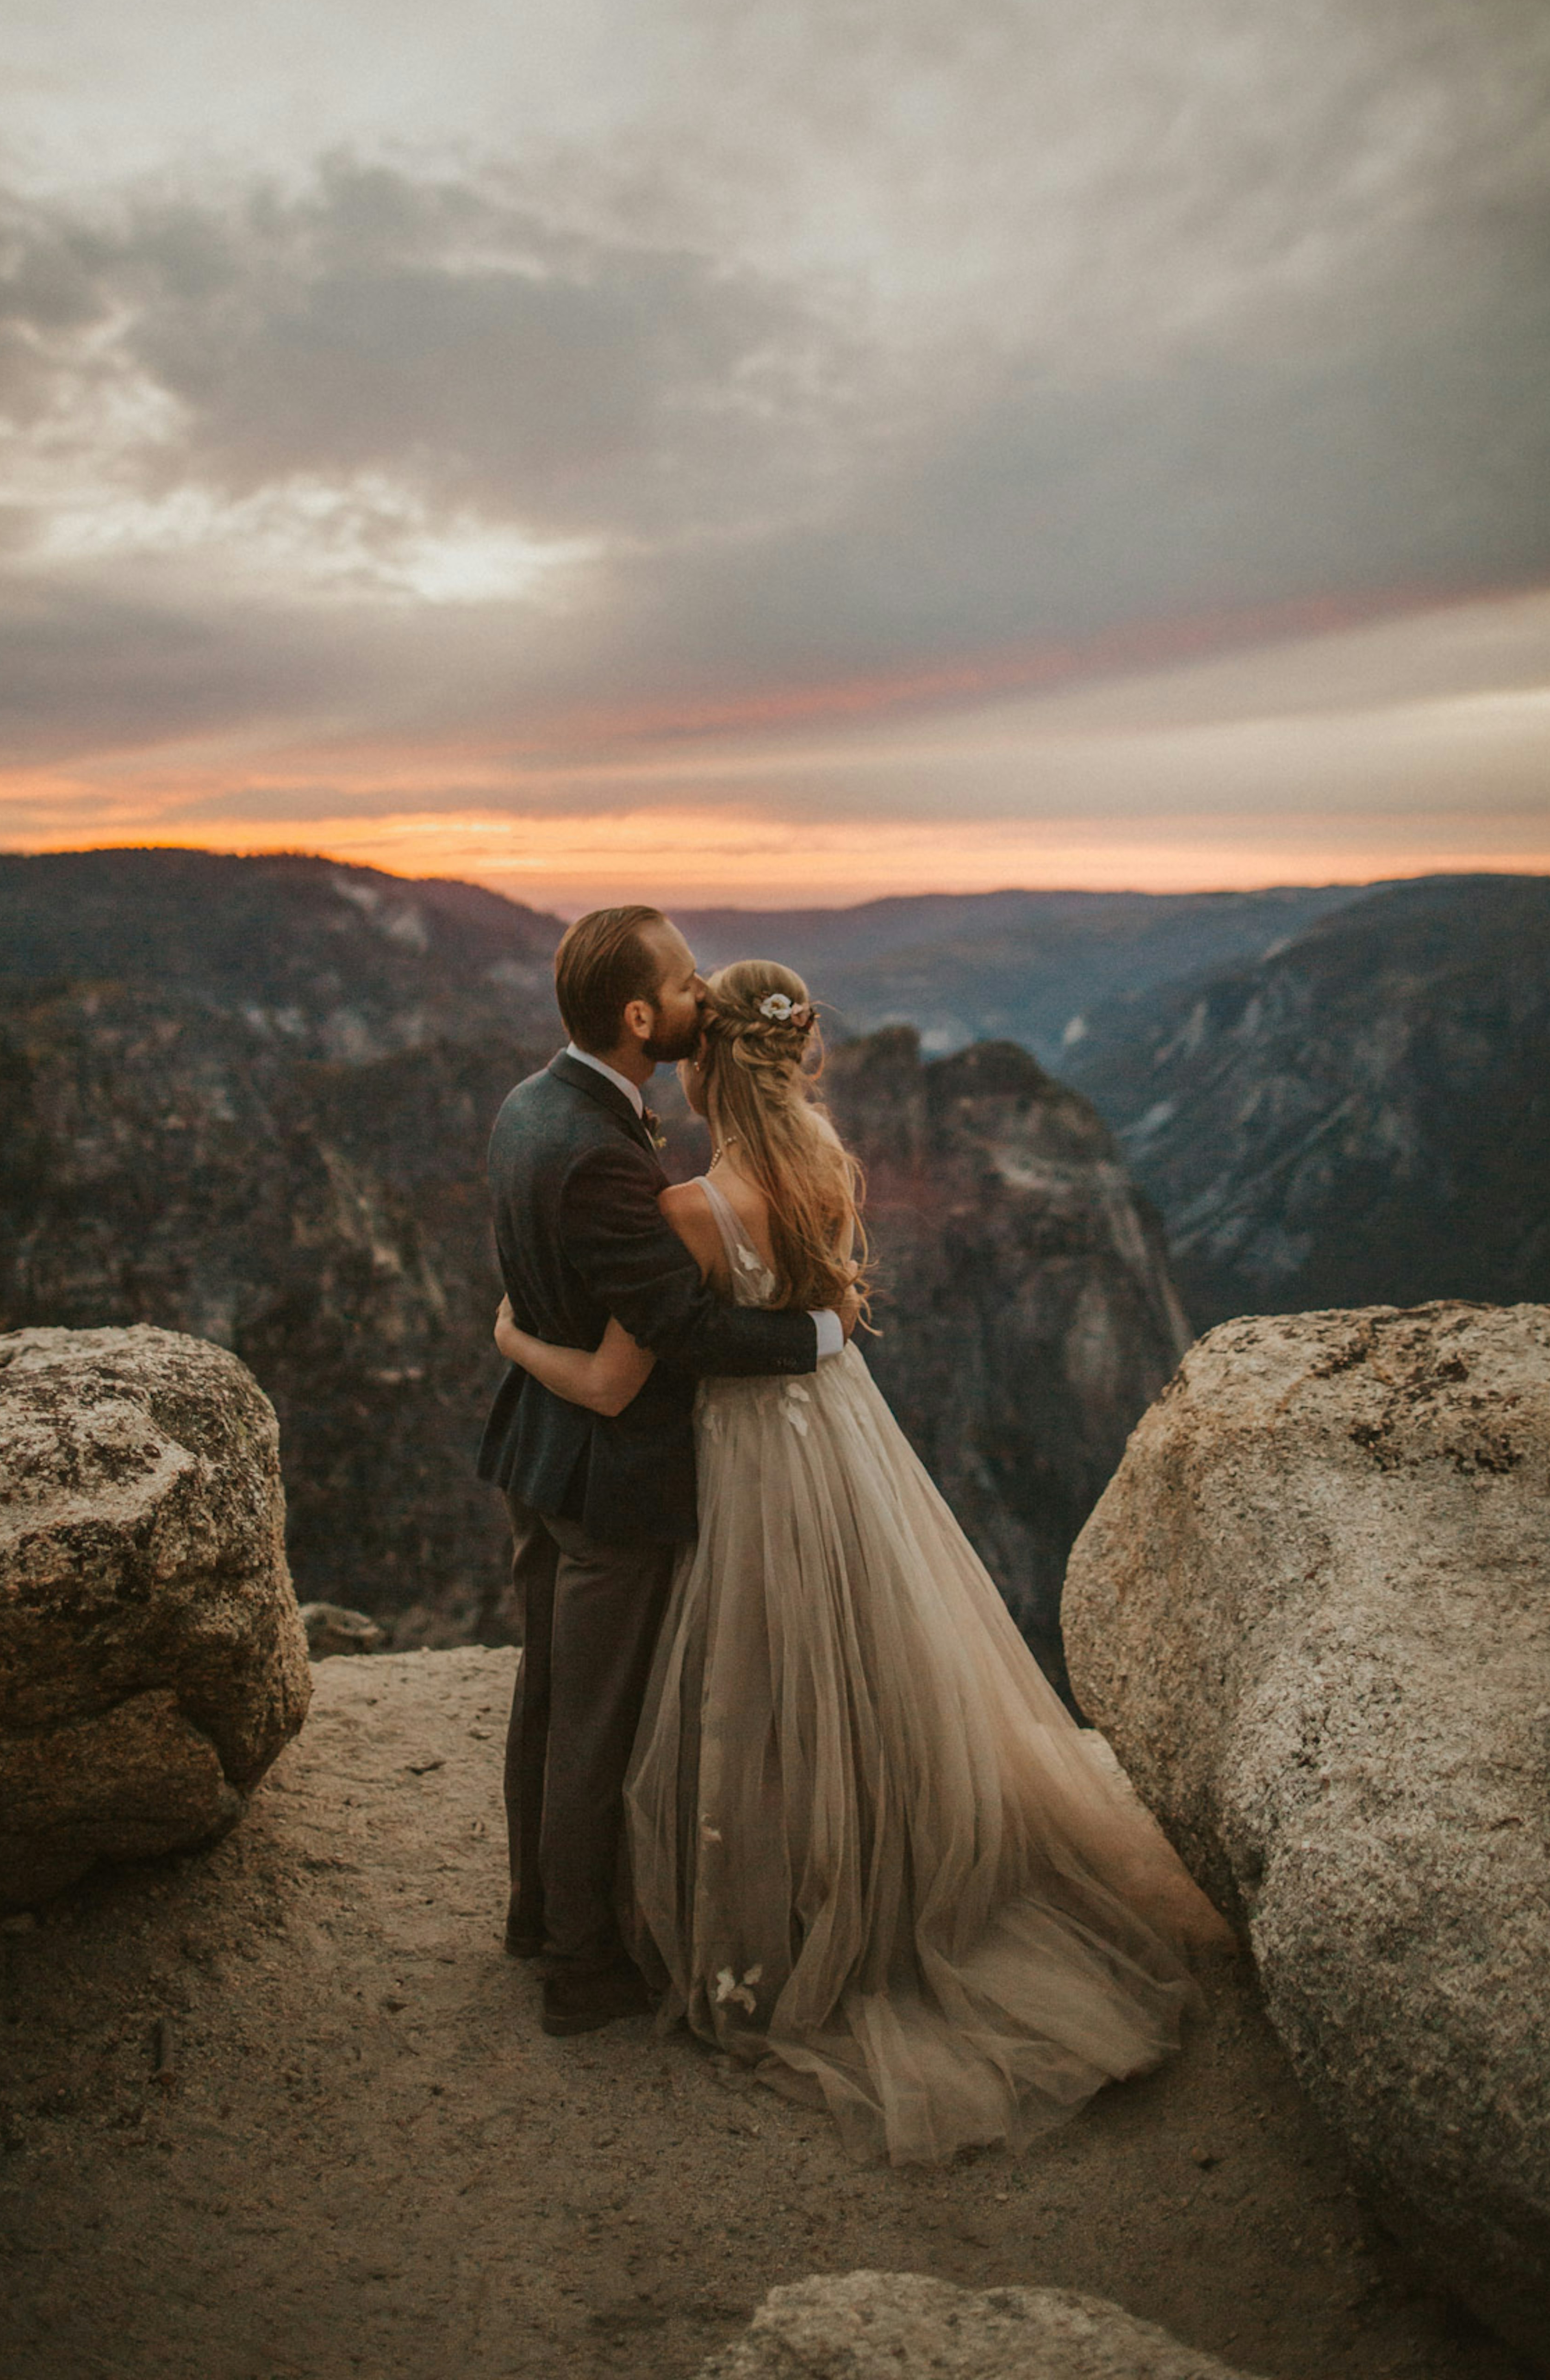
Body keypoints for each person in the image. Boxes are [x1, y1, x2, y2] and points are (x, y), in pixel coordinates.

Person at [494, 957, 1232, 2162]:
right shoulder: (833, 1165)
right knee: (865, 1665)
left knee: (752, 1689)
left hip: (738, 1460)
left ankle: (771, 1916)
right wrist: (823, 1330)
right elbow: (828, 1311)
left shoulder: (685, 1211)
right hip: (840, 1439)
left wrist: (515, 1333)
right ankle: (889, 1883)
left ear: (705, 1067)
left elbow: (625, 1374)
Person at [479, 908, 851, 2038]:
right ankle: (582, 1973)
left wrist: (512, 1344)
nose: (701, 997)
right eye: (686, 983)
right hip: (607, 1480)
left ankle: (539, 1916)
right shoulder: (605, 1155)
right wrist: (823, 1340)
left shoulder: (531, 1105)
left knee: (549, 1705)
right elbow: (680, 1331)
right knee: (593, 1727)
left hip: (542, 1459)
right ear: (640, 1017)